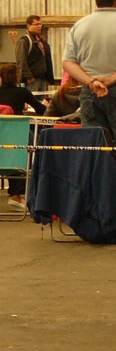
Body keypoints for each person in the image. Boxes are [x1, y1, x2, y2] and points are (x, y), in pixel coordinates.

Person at [62, 0, 116, 227]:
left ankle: (100, 206)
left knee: (94, 150)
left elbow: (68, 62)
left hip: (90, 94)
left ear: (97, 1)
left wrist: (91, 82)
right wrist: (110, 79)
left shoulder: (80, 26)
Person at [0, 63, 45, 209]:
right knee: (32, 140)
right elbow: (40, 109)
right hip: (16, 133)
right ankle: (17, 193)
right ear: (16, 76)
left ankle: (17, 192)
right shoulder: (22, 92)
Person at [15, 15, 55, 92]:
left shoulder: (42, 41)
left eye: (40, 24)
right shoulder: (25, 41)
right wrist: (29, 77)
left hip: (42, 79)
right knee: (30, 101)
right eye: (36, 24)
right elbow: (21, 60)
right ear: (28, 25)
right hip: (31, 80)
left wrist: (49, 78)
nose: (39, 26)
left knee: (41, 102)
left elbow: (48, 60)